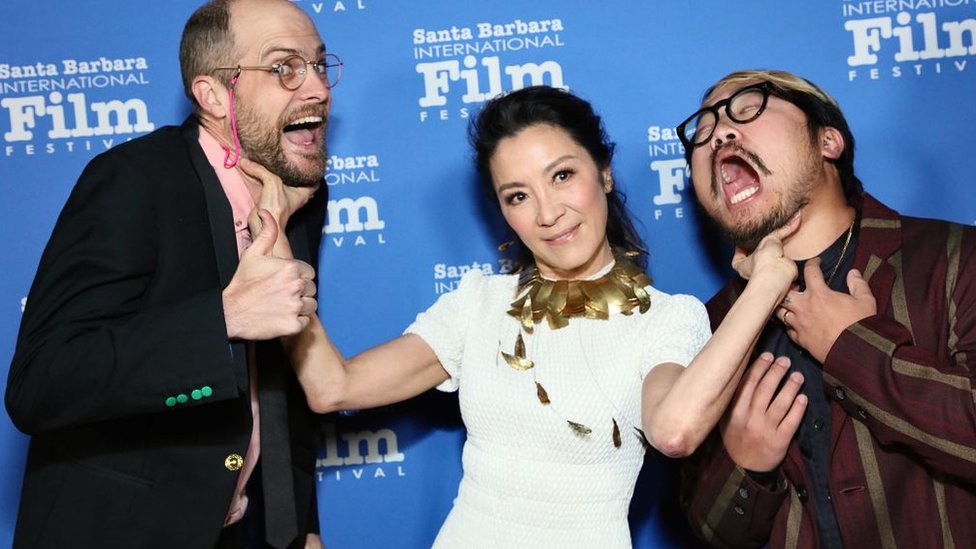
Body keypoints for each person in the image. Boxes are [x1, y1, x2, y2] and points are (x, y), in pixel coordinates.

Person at [273, 85, 795, 549]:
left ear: (605, 174)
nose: (547, 214)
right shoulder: (478, 304)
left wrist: (766, 285)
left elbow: (675, 431)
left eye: (563, 176)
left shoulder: (667, 320)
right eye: (518, 196)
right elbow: (333, 387)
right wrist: (276, 255)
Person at [4, 1, 338, 547]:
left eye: (320, 64)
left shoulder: (299, 191)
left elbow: (278, 383)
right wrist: (224, 318)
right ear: (213, 96)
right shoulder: (134, 181)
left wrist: (299, 524)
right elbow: (41, 385)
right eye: (284, 67)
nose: (319, 88)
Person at [677, 69, 976, 548]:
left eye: (748, 105)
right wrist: (745, 464)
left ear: (828, 141)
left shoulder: (955, 258)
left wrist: (852, 347)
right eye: (703, 130)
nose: (720, 133)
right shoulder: (709, 327)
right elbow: (712, 530)